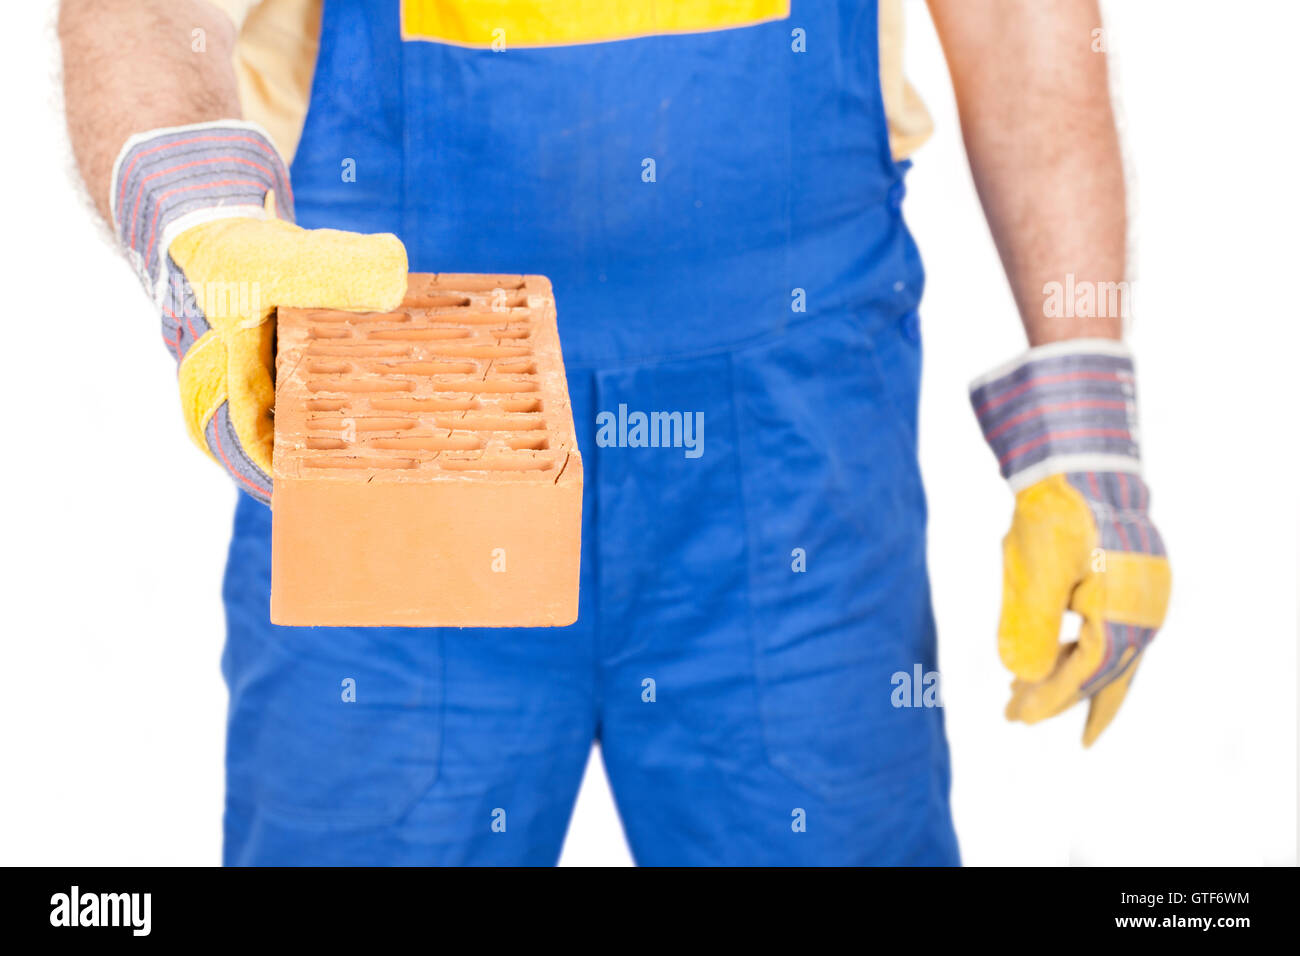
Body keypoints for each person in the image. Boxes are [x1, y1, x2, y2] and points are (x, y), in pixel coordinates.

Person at [60, 0, 1170, 866]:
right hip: (397, 420)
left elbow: (1020, 16)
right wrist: (201, 220)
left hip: (792, 469)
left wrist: (1084, 427)